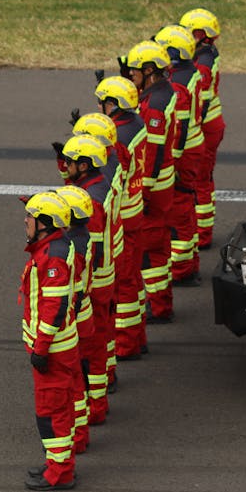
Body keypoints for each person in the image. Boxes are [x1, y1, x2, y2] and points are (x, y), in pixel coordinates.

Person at [20, 191, 78, 491]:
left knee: (50, 413)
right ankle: (58, 463)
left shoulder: (52, 257)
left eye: (30, 216)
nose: (25, 221)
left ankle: (59, 473)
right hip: (59, 347)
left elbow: (54, 307)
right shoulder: (53, 248)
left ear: (45, 223)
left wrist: (40, 349)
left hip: (52, 350)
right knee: (58, 411)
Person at [58, 137, 112, 425]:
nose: (65, 167)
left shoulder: (91, 203)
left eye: (69, 162)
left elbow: (93, 253)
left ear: (84, 164)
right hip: (98, 284)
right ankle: (97, 402)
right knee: (96, 351)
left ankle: (96, 407)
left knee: (90, 357)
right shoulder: (96, 187)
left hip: (94, 290)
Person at [93, 76, 148, 361]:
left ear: (113, 103)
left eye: (103, 102)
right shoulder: (137, 124)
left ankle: (126, 344)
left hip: (123, 217)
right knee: (134, 277)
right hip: (136, 208)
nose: (100, 106)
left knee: (123, 282)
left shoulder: (120, 136)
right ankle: (138, 335)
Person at [126, 40, 177, 324]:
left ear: (148, 70)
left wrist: (143, 189)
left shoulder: (154, 105)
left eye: (134, 71)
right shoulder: (160, 94)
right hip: (163, 183)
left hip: (154, 187)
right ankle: (161, 300)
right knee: (159, 247)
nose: (130, 75)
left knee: (150, 249)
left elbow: (153, 152)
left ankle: (158, 306)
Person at [154, 24, 204, 287]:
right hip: (193, 147)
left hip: (184, 153)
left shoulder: (179, 83)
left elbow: (180, 129)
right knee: (187, 204)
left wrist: (171, 159)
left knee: (180, 208)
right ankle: (189, 260)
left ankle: (182, 268)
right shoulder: (189, 73)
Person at [54, 183, 96, 454]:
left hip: (76, 318)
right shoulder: (81, 236)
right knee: (80, 376)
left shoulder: (73, 244)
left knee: (75, 380)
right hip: (84, 313)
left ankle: (78, 434)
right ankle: (80, 430)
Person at [179, 8, 224, 250]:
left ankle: (203, 233)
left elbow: (201, 102)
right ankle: (201, 228)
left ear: (200, 34)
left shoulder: (204, 62)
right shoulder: (205, 55)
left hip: (206, 127)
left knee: (200, 181)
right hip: (210, 125)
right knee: (203, 179)